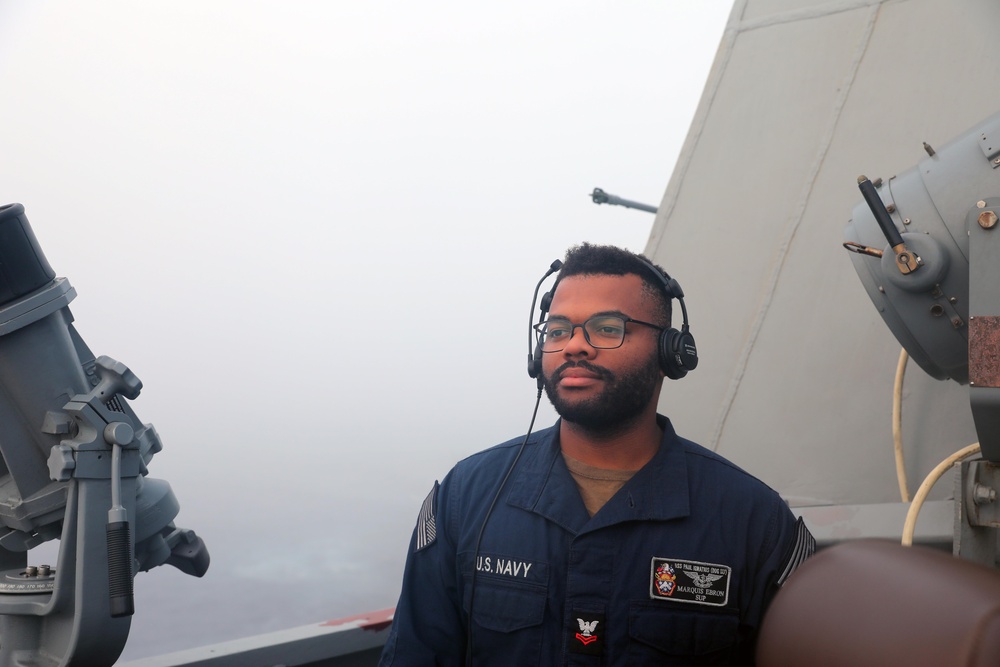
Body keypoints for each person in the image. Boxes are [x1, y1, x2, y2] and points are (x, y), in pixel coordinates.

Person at [379, 243, 814, 666]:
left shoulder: (755, 520)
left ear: (670, 352)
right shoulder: (463, 498)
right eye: (557, 330)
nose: (574, 346)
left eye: (607, 328)